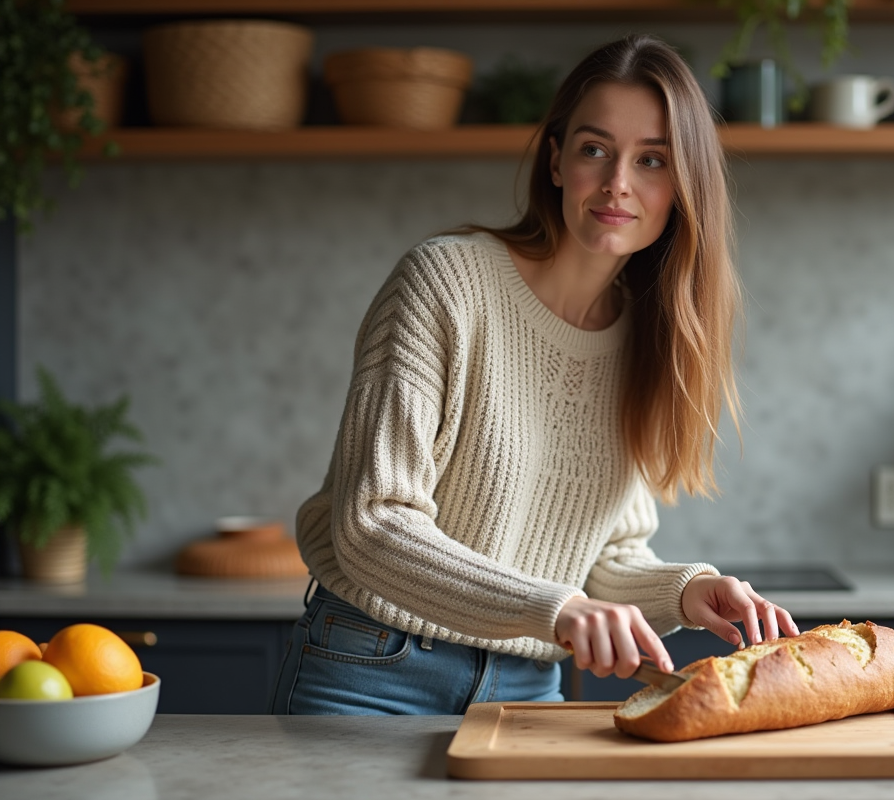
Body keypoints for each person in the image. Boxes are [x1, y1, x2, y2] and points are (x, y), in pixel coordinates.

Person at [269, 33, 799, 716]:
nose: (617, 183)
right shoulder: (446, 283)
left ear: (683, 186)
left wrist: (685, 593)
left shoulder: (653, 340)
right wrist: (555, 608)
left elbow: (600, 555)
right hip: (373, 670)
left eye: (652, 161)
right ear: (555, 160)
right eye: (594, 150)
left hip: (527, 688)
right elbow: (373, 526)